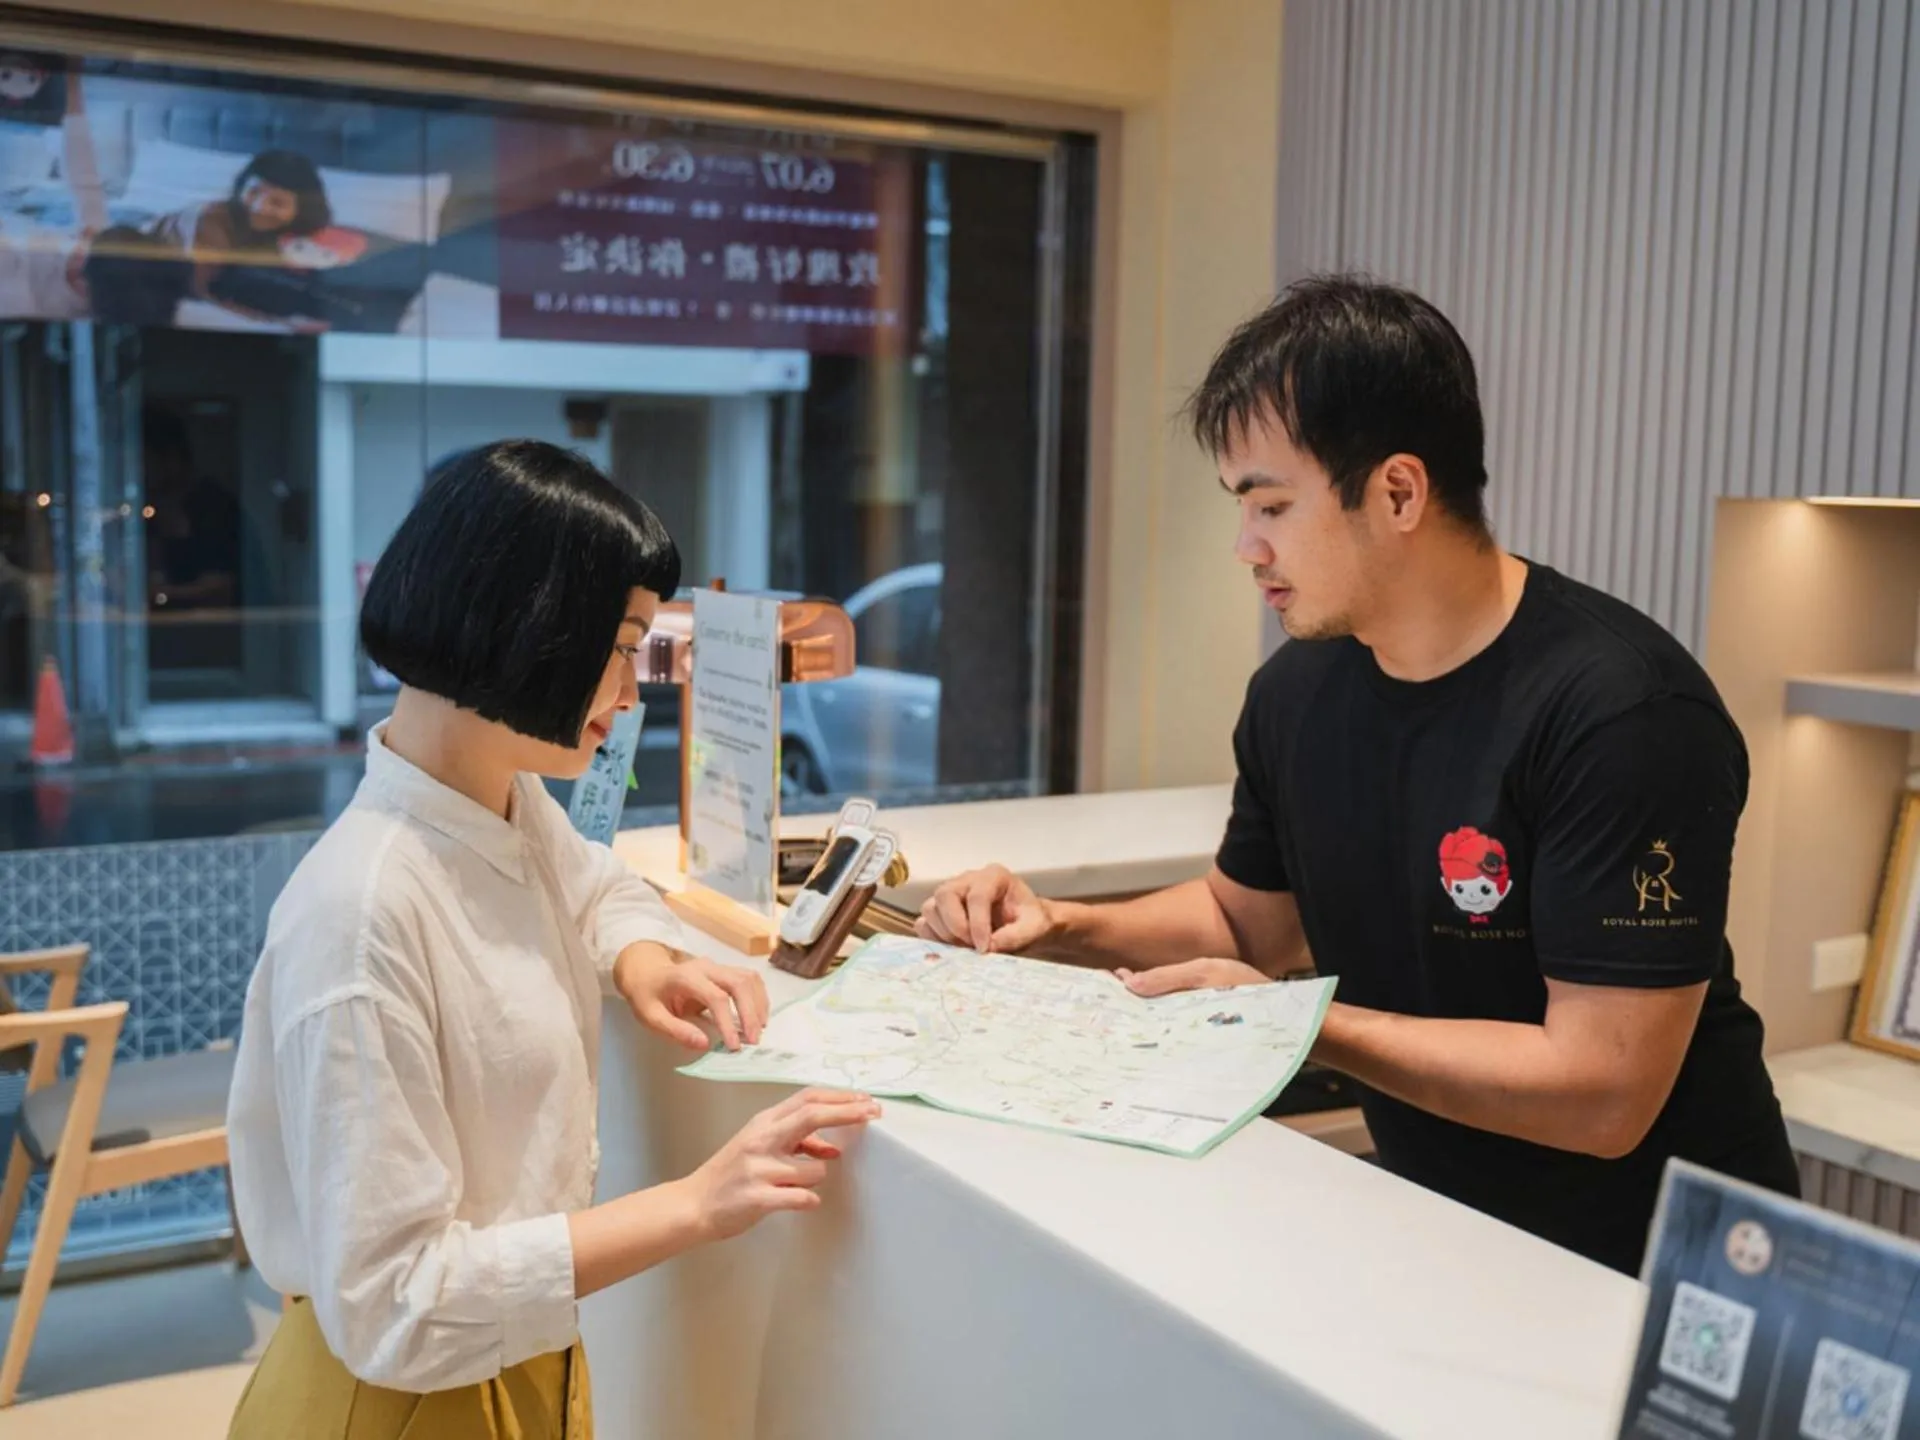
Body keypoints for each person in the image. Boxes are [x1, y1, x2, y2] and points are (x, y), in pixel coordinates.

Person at [919, 276, 1798, 1276]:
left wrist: (1294, 1024)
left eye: (1272, 506)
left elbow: (1602, 1092)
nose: (1247, 548)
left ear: (1397, 492)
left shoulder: (1622, 713)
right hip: (1444, 1225)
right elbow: (1253, 922)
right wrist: (1060, 925)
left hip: (1662, 1263)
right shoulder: (1298, 691)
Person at [227, 439, 877, 1438]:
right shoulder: (359, 919)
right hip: (401, 1403)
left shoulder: (499, 802)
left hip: (519, 1363)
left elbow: (591, 883)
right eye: (623, 650)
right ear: (524, 626)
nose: (631, 694)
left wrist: (644, 957)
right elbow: (396, 1303)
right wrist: (698, 1204)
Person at [85, 149, 335, 329]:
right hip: (147, 268)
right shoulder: (212, 223)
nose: (258, 206)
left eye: (277, 202)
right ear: (240, 187)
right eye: (253, 191)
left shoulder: (307, 234)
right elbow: (200, 295)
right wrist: (282, 326)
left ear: (301, 209)